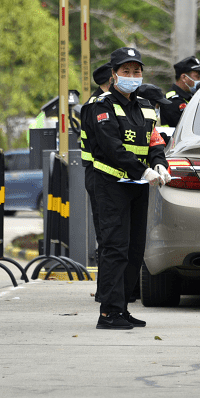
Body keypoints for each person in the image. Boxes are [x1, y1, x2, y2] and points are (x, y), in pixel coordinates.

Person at [89, 46, 171, 330]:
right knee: (115, 248)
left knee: (135, 249)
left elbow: (154, 140)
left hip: (138, 184)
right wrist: (143, 169)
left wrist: (159, 163)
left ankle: (122, 308)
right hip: (111, 184)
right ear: (114, 74)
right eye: (126, 71)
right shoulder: (101, 105)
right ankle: (108, 312)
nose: (132, 76)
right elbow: (111, 147)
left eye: (137, 72)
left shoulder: (147, 106)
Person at [79, 61, 113, 291]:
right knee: (106, 236)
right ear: (110, 80)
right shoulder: (95, 106)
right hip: (98, 175)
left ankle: (108, 289)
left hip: (104, 174)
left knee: (109, 235)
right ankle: (104, 290)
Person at [160, 56, 200, 127]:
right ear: (184, 78)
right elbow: (192, 126)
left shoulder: (190, 96)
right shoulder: (172, 101)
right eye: (197, 76)